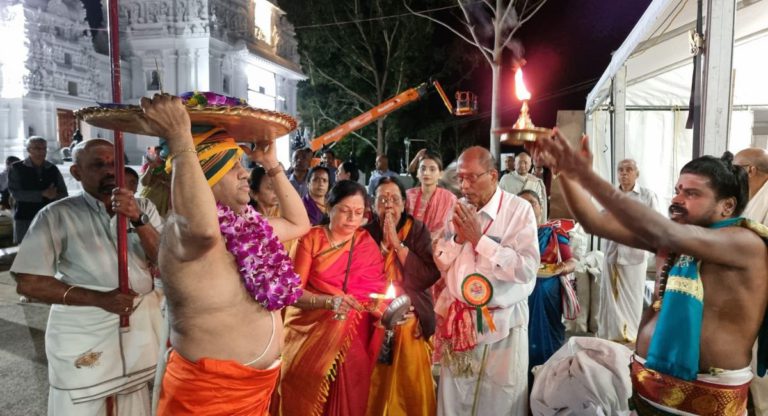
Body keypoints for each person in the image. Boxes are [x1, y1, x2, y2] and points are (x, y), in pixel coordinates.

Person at [533, 130, 768, 415]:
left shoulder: (744, 242)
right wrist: (565, 174)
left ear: (727, 206)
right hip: (648, 389)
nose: (678, 199)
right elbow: (594, 222)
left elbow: (664, 230)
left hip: (706, 400)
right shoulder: (677, 242)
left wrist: (586, 175)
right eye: (678, 189)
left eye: (692, 193)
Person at [138, 93, 310, 414]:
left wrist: (271, 165)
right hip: (206, 398)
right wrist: (180, 138)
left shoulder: (248, 227)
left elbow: (298, 223)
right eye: (232, 166)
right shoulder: (184, 236)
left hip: (257, 391)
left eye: (242, 164)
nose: (245, 173)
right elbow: (203, 228)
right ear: (204, 176)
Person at [11, 138, 164, 415]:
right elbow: (28, 282)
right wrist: (100, 299)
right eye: (98, 165)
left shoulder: (144, 207)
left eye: (114, 164)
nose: (109, 171)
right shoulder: (57, 215)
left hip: (137, 325)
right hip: (84, 330)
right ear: (76, 172)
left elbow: (166, 262)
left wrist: (137, 218)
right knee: (82, 404)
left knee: (131, 401)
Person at [432, 146, 539, 416]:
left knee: (499, 401)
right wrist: (459, 238)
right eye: (460, 178)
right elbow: (441, 261)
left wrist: (480, 240)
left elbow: (526, 269)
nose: (464, 186)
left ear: (492, 175)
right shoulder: (457, 209)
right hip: (461, 322)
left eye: (471, 178)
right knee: (455, 401)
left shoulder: (519, 211)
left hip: (503, 323)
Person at [278, 180, 386, 415]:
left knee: (351, 392)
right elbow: (293, 292)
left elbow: (376, 293)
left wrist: (388, 310)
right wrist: (328, 302)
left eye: (358, 212)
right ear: (329, 207)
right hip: (309, 331)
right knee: (302, 393)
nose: (352, 219)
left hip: (352, 335)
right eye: (345, 211)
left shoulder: (366, 244)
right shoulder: (311, 239)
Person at [365, 177, 440, 415]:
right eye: (382, 199)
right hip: (373, 308)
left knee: (407, 330)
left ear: (404, 203)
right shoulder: (365, 233)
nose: (388, 205)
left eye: (394, 199)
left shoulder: (416, 230)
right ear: (372, 204)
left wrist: (397, 245)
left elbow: (426, 275)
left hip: (411, 308)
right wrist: (381, 248)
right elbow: (360, 277)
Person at [517, 190, 577, 385]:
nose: (528, 207)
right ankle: (523, 381)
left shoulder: (553, 232)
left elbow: (571, 261)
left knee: (549, 337)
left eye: (532, 203)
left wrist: (562, 268)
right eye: (522, 203)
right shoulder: (511, 234)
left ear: (541, 208)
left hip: (548, 294)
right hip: (519, 295)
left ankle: (550, 380)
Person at [597, 159, 658, 343]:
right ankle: (610, 337)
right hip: (612, 254)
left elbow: (655, 224)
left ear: (636, 174)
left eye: (629, 169)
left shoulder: (647, 196)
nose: (624, 173)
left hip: (634, 256)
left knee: (632, 299)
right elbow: (601, 219)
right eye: (620, 170)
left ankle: (630, 337)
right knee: (610, 299)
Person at [734, 147, 768, 415]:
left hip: (762, 294)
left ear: (750, 170)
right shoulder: (750, 198)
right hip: (747, 295)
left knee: (761, 364)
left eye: (735, 168)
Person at [8, 136, 68, 243]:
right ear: (28, 150)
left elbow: (64, 193)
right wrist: (41, 194)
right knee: (27, 249)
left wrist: (55, 195)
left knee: (50, 248)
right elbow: (16, 194)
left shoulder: (52, 168)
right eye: (37, 148)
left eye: (44, 148)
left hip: (49, 218)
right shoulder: (17, 168)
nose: (42, 152)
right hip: (25, 217)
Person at [405, 150, 457, 240]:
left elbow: (452, 230)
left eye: (432, 169)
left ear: (440, 174)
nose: (426, 173)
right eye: (423, 169)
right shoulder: (408, 196)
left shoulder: (450, 199)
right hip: (409, 245)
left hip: (439, 246)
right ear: (417, 173)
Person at [250, 165, 299, 259]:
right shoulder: (247, 220)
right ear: (254, 193)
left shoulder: (287, 216)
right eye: (270, 187)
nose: (276, 192)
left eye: (277, 187)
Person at [499, 151, 547, 219]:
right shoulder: (505, 179)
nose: (522, 165)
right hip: (510, 217)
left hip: (530, 217)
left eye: (525, 162)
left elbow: (540, 204)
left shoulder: (536, 182)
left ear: (530, 165)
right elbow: (499, 200)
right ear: (515, 164)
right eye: (519, 162)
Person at [139, 146, 171, 217]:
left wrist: (162, 181)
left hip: (164, 202)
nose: (159, 156)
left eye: (161, 154)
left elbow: (173, 184)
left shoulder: (168, 166)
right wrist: (150, 168)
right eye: (157, 154)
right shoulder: (147, 166)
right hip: (150, 198)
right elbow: (144, 183)